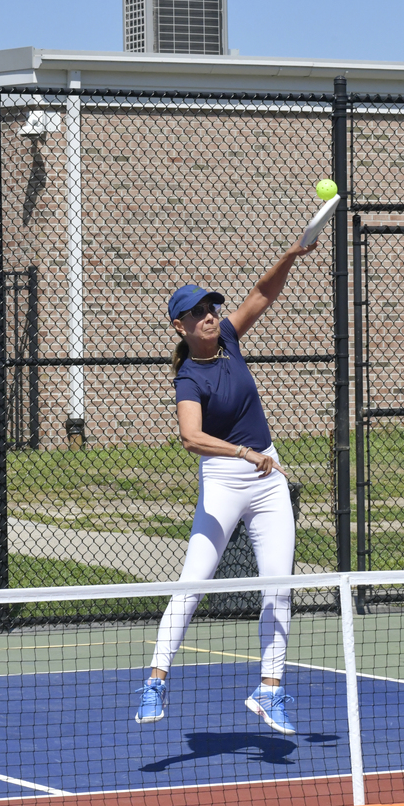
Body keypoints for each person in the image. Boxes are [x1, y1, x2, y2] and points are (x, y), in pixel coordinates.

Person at [135, 239, 317, 735]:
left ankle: (271, 689)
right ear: (181, 326)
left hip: (267, 479)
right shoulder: (189, 378)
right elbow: (191, 437)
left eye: (211, 307)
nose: (210, 315)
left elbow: (262, 292)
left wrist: (291, 256)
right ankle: (155, 679)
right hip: (223, 480)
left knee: (279, 588)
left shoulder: (231, 338)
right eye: (197, 312)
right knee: (193, 583)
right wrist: (242, 453)